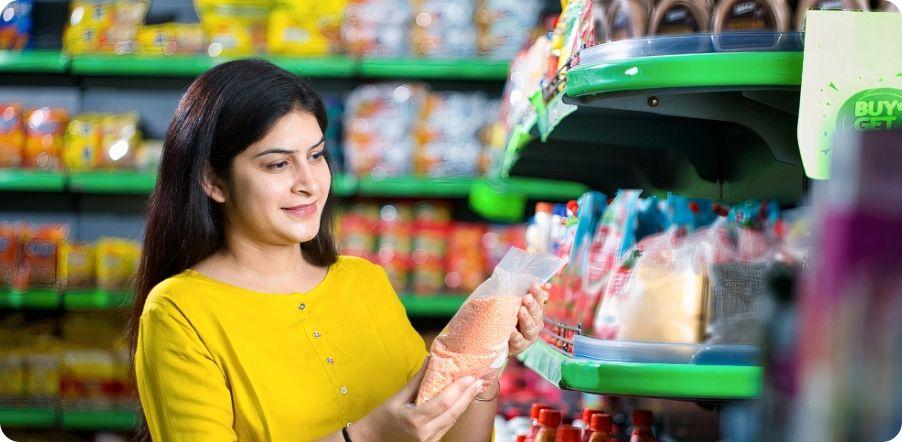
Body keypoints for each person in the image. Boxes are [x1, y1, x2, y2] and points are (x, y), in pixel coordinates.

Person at [126, 59, 549, 441]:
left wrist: (482, 364)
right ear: (213, 181)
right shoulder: (179, 312)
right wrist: (364, 438)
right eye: (277, 164)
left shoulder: (364, 282)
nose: (309, 182)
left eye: (316, 156)